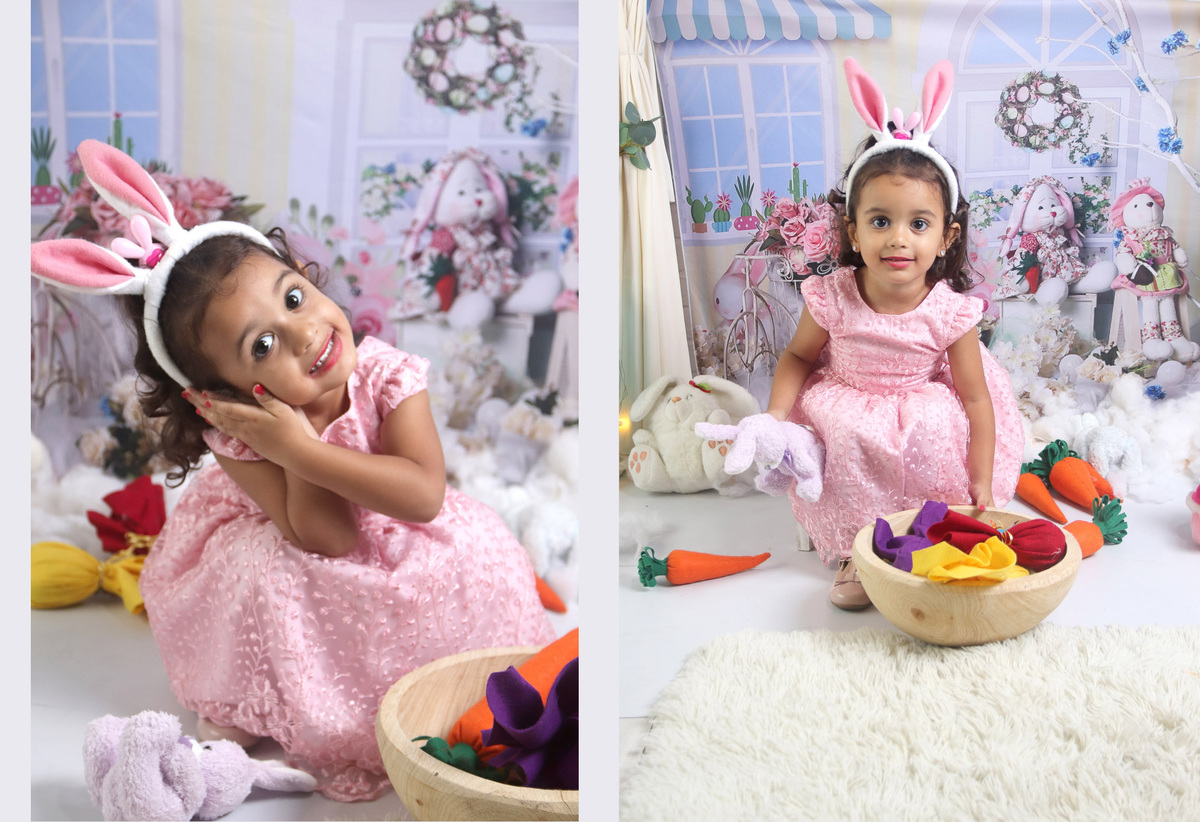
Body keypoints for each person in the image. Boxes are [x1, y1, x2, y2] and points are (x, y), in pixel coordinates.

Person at [30, 140, 556, 802]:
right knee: (266, 575)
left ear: (305, 274)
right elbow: (326, 539)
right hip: (310, 546)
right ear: (223, 393)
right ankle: (263, 699)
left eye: (295, 297)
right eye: (263, 344)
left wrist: (305, 450)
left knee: (475, 554)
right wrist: (287, 445)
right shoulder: (240, 430)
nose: (304, 334)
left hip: (402, 521)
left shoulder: (388, 375)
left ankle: (448, 685)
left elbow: (424, 497)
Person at [763, 59, 1023, 610]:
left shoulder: (949, 312)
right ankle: (857, 552)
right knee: (849, 436)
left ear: (946, 237)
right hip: (850, 397)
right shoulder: (834, 294)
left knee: (933, 428)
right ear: (854, 231)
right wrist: (776, 417)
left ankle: (927, 534)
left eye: (918, 224)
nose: (898, 239)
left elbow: (976, 400)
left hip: (920, 400)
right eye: (880, 221)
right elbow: (799, 357)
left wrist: (980, 480)